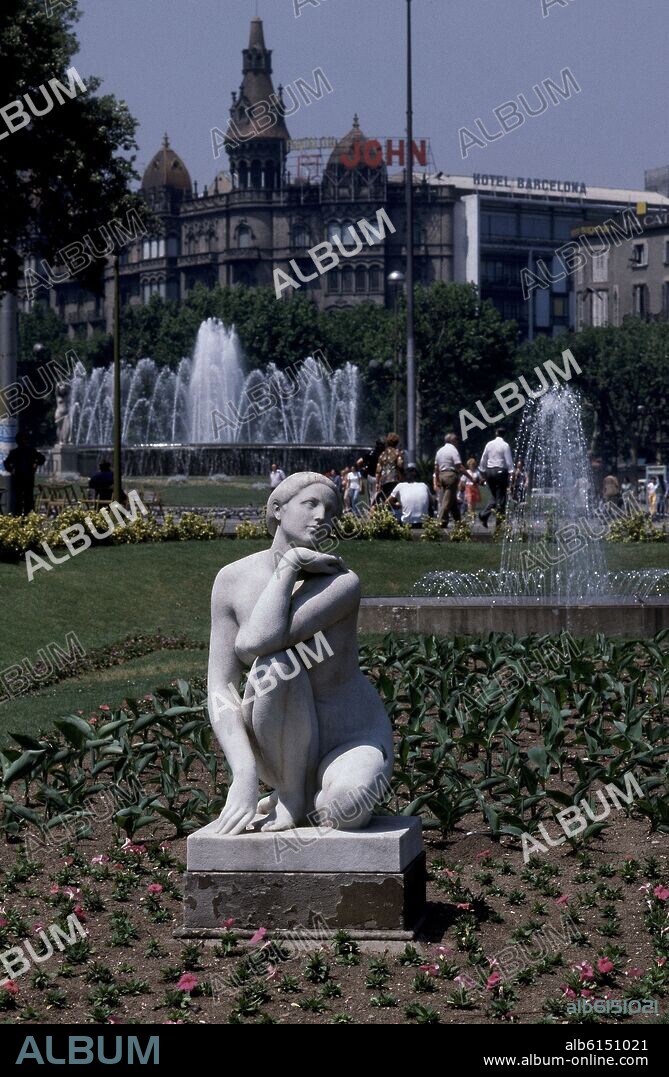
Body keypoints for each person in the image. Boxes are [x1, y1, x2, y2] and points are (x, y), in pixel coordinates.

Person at [208, 471, 393, 834]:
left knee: (344, 811)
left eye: (331, 510)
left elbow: (255, 641)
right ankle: (292, 794)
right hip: (279, 744)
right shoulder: (232, 581)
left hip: (349, 737)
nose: (322, 516)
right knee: (274, 668)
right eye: (311, 504)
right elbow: (220, 690)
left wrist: (290, 563)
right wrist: (244, 773)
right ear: (277, 509)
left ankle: (308, 795)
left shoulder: (340, 582)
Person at [3, 432, 46, 515]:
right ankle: (24, 516)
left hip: (22, 478)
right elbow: (6, 463)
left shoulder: (25, 451)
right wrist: (36, 463)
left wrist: (11, 470)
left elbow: (41, 459)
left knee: (22, 500)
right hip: (23, 478)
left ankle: (20, 516)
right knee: (24, 500)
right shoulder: (20, 451)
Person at [478, 428, 514, 528]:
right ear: (504, 435)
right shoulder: (505, 445)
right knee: (501, 498)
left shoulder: (489, 444)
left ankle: (484, 515)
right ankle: (499, 523)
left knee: (495, 496)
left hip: (489, 471)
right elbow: (509, 461)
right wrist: (512, 473)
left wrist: (482, 472)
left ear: (496, 433)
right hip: (500, 471)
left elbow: (483, 459)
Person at [434, 432, 469, 527]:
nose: (457, 442)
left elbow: (436, 467)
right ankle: (439, 523)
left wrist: (437, 479)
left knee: (452, 501)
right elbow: (459, 466)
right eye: (456, 440)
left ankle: (459, 523)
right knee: (446, 502)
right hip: (451, 476)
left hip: (441, 475)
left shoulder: (440, 451)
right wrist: (470, 477)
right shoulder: (453, 450)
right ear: (452, 441)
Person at [375, 432, 405, 504]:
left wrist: (377, 483)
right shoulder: (397, 453)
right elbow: (400, 465)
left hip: (384, 481)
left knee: (386, 498)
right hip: (395, 479)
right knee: (395, 499)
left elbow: (378, 470)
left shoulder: (382, 454)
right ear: (396, 442)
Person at [364, 440, 385, 506]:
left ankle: (372, 508)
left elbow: (359, 462)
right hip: (381, 476)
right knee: (380, 495)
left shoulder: (371, 453)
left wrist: (364, 470)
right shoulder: (384, 454)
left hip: (371, 476)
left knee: (372, 496)